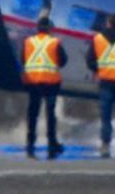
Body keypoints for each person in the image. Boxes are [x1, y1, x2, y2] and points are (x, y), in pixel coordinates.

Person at [86, 13, 115, 159]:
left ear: (107, 23)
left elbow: (90, 60)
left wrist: (98, 70)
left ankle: (105, 143)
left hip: (105, 81)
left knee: (105, 115)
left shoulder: (98, 39)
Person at [22, 16, 67, 160]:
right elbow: (63, 60)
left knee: (32, 115)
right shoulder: (54, 42)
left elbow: (23, 59)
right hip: (51, 82)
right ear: (49, 28)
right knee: (50, 115)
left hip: (33, 81)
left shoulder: (28, 42)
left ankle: (30, 147)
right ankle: (51, 145)